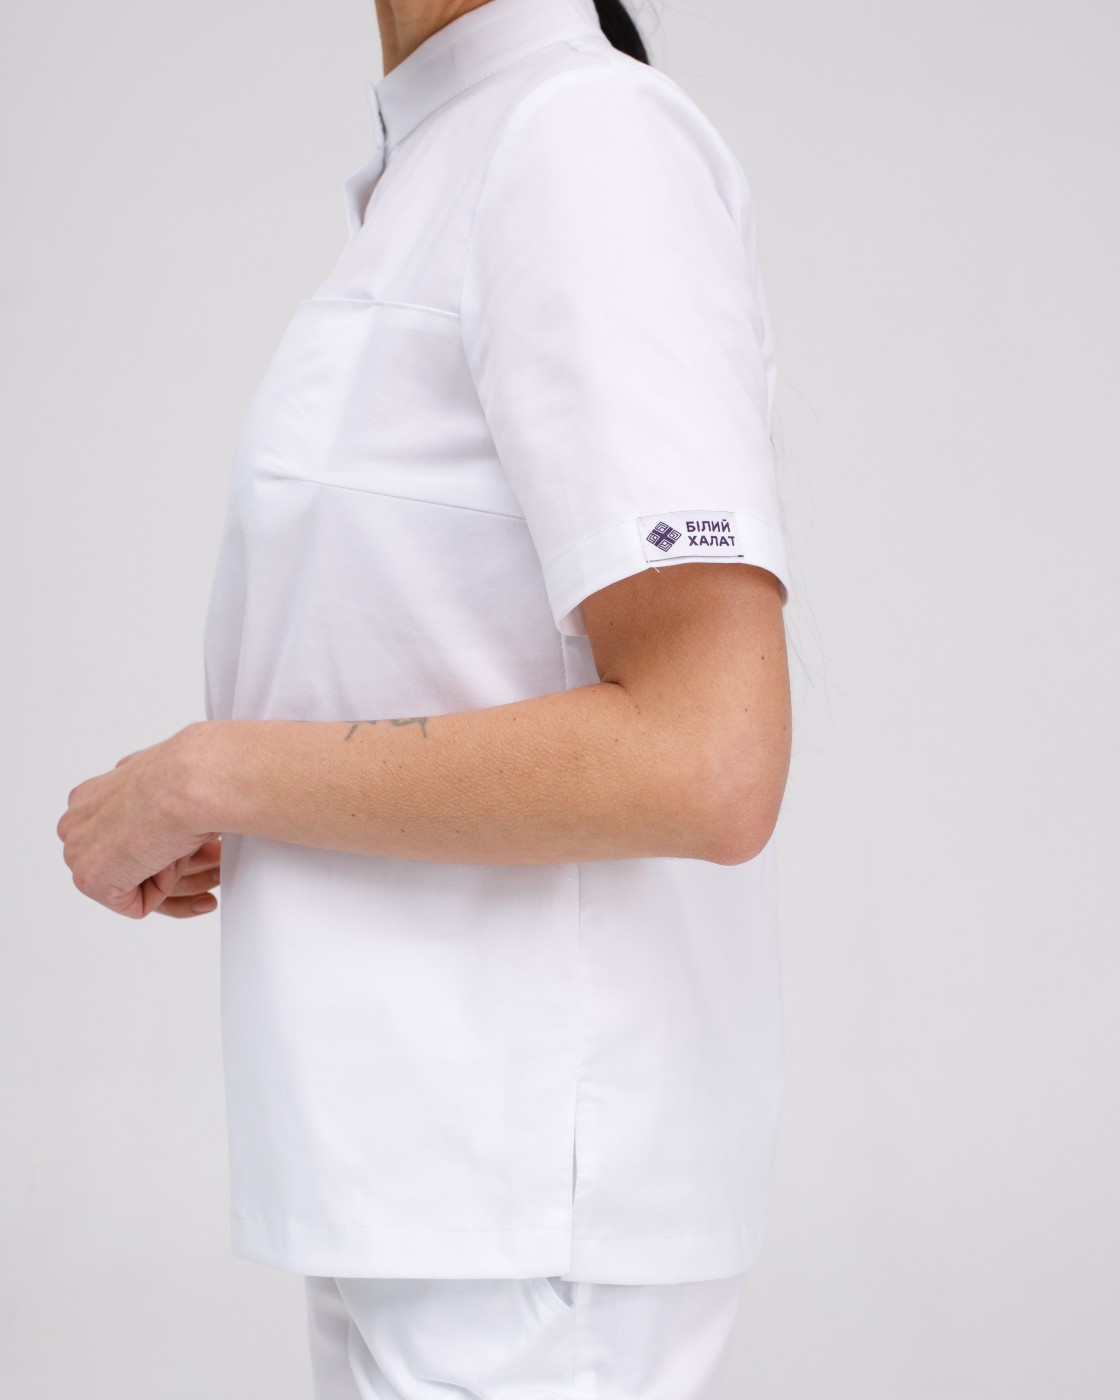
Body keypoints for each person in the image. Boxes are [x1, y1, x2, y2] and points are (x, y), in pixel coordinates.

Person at [56, 0, 794, 1393]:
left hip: (523, 1219)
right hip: (418, 1194)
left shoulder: (581, 141)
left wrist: (209, 774)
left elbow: (708, 757)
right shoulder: (449, 149)